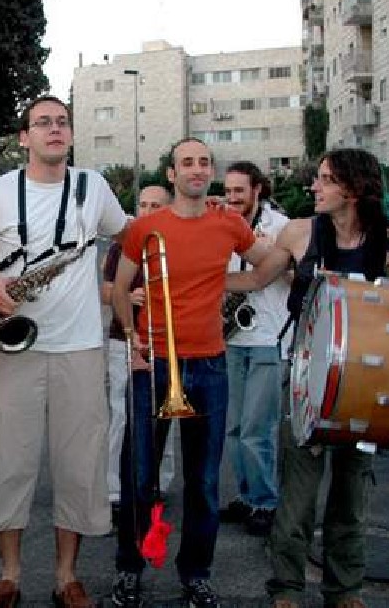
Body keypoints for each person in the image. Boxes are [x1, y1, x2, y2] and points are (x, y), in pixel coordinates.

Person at [0, 95, 129, 607]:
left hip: (81, 347)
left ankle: (65, 576)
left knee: (79, 465)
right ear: (24, 137)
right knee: (9, 462)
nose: (54, 130)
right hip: (14, 349)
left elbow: (130, 236)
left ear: (71, 135)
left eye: (61, 122)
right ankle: (9, 574)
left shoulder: (93, 187)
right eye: (42, 123)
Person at [227, 148, 389, 608]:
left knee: (351, 494)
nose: (314, 187)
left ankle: (344, 590)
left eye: (325, 180)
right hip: (305, 377)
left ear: (352, 188)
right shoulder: (300, 232)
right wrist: (193, 278)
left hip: (364, 384)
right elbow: (255, 281)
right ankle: (286, 588)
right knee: (298, 495)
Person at [110, 138, 257, 608]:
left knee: (204, 482)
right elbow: (118, 288)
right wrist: (133, 340)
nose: (196, 169)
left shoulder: (229, 222)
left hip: (209, 363)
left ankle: (195, 573)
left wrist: (248, 275)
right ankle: (129, 567)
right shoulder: (146, 227)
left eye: (204, 162)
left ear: (210, 172)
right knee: (138, 474)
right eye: (186, 162)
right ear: (172, 174)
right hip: (154, 362)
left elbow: (260, 269)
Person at [220, 162, 291, 537]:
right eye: (228, 191)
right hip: (231, 337)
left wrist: (262, 253)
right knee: (233, 428)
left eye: (239, 191)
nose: (232, 198)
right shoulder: (222, 223)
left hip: (267, 338)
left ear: (257, 190)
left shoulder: (280, 226)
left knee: (256, 429)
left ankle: (265, 502)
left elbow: (298, 275)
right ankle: (248, 496)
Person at [101, 185, 176, 519]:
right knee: (122, 413)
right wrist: (125, 298)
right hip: (124, 340)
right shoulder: (123, 246)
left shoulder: (176, 244)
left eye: (155, 205)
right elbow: (105, 291)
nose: (147, 211)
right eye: (143, 204)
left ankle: (159, 482)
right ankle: (116, 488)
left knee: (167, 414)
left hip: (166, 342)